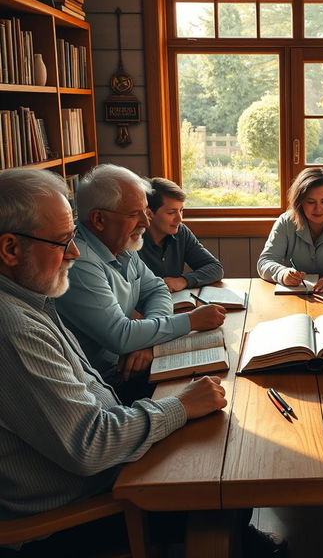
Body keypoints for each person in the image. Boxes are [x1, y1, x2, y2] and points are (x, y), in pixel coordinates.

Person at [0, 168, 227, 523]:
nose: (74, 253)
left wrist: (146, 338)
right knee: (218, 486)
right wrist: (181, 406)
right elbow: (91, 445)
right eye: (62, 241)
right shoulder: (14, 329)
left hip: (109, 466)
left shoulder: (32, 299)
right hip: (79, 511)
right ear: (11, 249)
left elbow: (155, 290)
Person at [56, 164, 226, 399]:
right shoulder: (80, 262)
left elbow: (156, 289)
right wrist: (191, 320)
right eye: (134, 214)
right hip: (106, 386)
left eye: (145, 211)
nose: (146, 222)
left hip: (133, 364)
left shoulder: (121, 244)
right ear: (99, 219)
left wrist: (146, 342)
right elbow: (120, 335)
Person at [139, 177, 223, 292]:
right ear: (149, 214)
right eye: (171, 212)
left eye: (181, 210)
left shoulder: (181, 232)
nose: (180, 219)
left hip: (178, 305)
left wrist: (183, 281)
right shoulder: (132, 240)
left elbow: (215, 268)